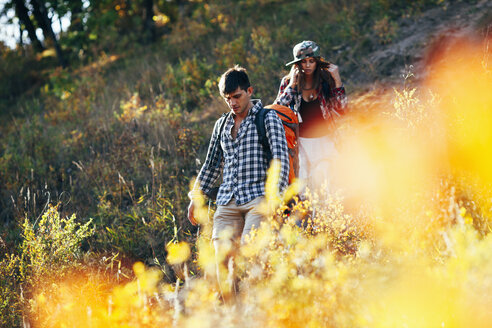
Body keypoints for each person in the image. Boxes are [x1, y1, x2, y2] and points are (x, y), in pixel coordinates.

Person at [187, 65, 289, 300]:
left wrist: (275, 199)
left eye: (237, 96)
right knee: (223, 262)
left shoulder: (268, 118)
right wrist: (196, 198)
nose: (232, 102)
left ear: (249, 91)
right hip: (227, 202)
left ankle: (258, 312)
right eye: (227, 98)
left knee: (252, 257)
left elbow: (280, 160)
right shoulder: (222, 124)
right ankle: (232, 316)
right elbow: (211, 164)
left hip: (259, 200)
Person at [274, 40, 347, 194]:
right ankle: (307, 217)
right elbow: (277, 110)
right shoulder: (288, 82)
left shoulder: (326, 80)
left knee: (325, 183)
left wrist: (337, 80)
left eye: (311, 61)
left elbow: (342, 110)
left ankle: (327, 217)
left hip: (325, 139)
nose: (307, 65)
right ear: (297, 64)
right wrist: (292, 86)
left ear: (317, 62)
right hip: (300, 143)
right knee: (303, 185)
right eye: (303, 62)